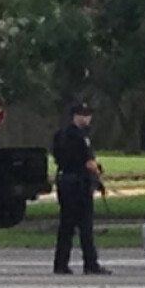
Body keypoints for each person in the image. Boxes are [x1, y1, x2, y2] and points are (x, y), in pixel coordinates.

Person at [52, 102, 111, 275]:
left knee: (66, 225)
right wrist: (98, 173)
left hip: (64, 180)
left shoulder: (60, 134)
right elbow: (89, 162)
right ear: (75, 115)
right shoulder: (79, 136)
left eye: (88, 114)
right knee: (85, 225)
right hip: (79, 183)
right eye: (84, 115)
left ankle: (60, 263)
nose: (88, 118)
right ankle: (90, 263)